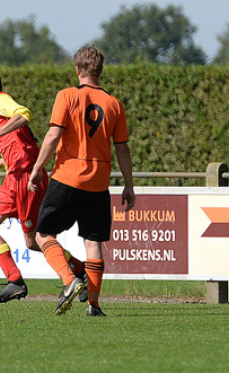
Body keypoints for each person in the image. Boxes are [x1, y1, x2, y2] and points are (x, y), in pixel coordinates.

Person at [28, 46, 136, 317]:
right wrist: (129, 184)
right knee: (93, 243)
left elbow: (53, 135)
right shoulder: (115, 104)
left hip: (66, 176)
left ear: (77, 70)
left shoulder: (67, 95)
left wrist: (38, 167)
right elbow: (122, 148)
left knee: (42, 235)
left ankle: (69, 280)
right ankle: (94, 305)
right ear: (100, 71)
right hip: (98, 183)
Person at [0, 67, 85, 303]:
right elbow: (23, 146)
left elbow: (24, 114)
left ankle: (77, 271)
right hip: (14, 177)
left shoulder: (0, 100)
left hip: (25, 178)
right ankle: (15, 281)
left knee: (34, 241)